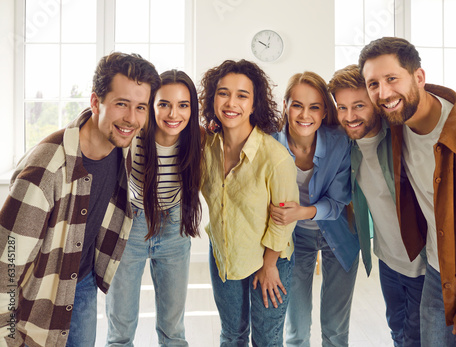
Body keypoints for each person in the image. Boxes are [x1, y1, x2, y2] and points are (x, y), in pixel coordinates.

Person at [0, 52, 160, 347]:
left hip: (83, 282)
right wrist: (7, 337)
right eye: (121, 104)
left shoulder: (122, 144)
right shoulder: (46, 170)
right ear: (96, 102)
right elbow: (5, 266)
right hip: (39, 295)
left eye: (141, 107)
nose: (132, 118)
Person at [359, 36, 456, 346]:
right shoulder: (397, 122)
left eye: (392, 78)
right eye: (373, 84)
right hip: (438, 273)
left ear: (419, 77)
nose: (383, 93)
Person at [199, 59, 299, 346]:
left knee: (266, 339)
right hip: (225, 254)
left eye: (242, 95)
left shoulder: (275, 157)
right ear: (213, 98)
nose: (232, 103)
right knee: (232, 335)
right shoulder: (207, 147)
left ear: (254, 105)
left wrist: (269, 265)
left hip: (270, 259)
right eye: (223, 93)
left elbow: (283, 219)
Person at [328, 64, 426, 347]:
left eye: (358, 105)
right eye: (342, 108)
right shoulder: (349, 146)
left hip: (424, 266)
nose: (350, 116)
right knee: (397, 333)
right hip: (388, 262)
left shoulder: (401, 138)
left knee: (419, 339)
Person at [105, 70, 201, 346]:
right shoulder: (134, 134)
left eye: (183, 105)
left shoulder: (197, 138)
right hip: (132, 224)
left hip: (174, 226)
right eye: (164, 104)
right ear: (151, 106)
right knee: (120, 330)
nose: (174, 114)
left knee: (173, 330)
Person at [269, 71, 358, 347]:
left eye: (314, 107)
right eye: (297, 105)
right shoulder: (270, 143)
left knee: (334, 330)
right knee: (296, 330)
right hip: (293, 240)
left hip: (339, 235)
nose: (304, 115)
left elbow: (337, 204)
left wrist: (302, 212)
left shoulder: (339, 142)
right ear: (285, 105)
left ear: (323, 113)